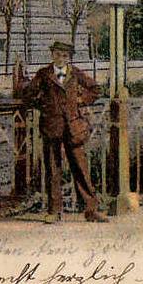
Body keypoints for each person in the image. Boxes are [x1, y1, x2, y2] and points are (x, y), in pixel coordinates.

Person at [15, 41, 108, 223]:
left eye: (65, 56)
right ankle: (54, 211)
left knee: (81, 168)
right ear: (52, 55)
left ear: (69, 58)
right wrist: (44, 106)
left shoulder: (75, 73)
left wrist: (81, 100)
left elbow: (96, 89)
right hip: (51, 127)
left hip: (73, 128)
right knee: (53, 169)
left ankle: (91, 210)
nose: (61, 58)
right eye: (58, 54)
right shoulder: (44, 74)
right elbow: (29, 94)